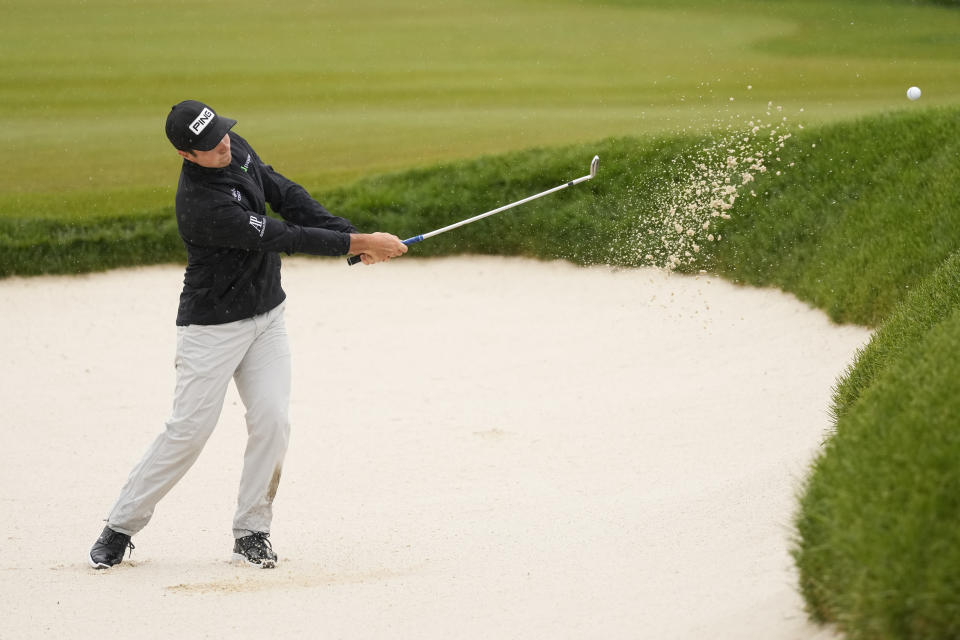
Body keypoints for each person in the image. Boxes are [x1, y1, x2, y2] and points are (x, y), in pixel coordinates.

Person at [88, 100, 407, 569]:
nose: (222, 145)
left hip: (267, 318)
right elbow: (283, 235)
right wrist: (362, 244)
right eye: (209, 145)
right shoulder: (202, 205)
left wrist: (349, 239)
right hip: (211, 329)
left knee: (273, 421)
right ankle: (120, 526)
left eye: (221, 133)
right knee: (188, 433)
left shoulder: (231, 145)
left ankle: (252, 531)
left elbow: (284, 192)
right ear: (185, 155)